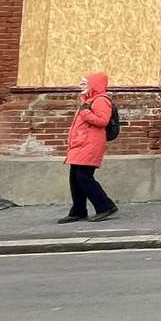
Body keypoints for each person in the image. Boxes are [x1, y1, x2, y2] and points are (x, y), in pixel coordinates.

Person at [60, 71, 118, 223]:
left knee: (84, 178)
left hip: (89, 145)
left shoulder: (100, 100)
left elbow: (103, 121)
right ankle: (78, 211)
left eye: (84, 83)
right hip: (80, 145)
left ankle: (105, 206)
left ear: (94, 84)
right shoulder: (89, 100)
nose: (81, 85)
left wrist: (85, 112)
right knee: (75, 179)